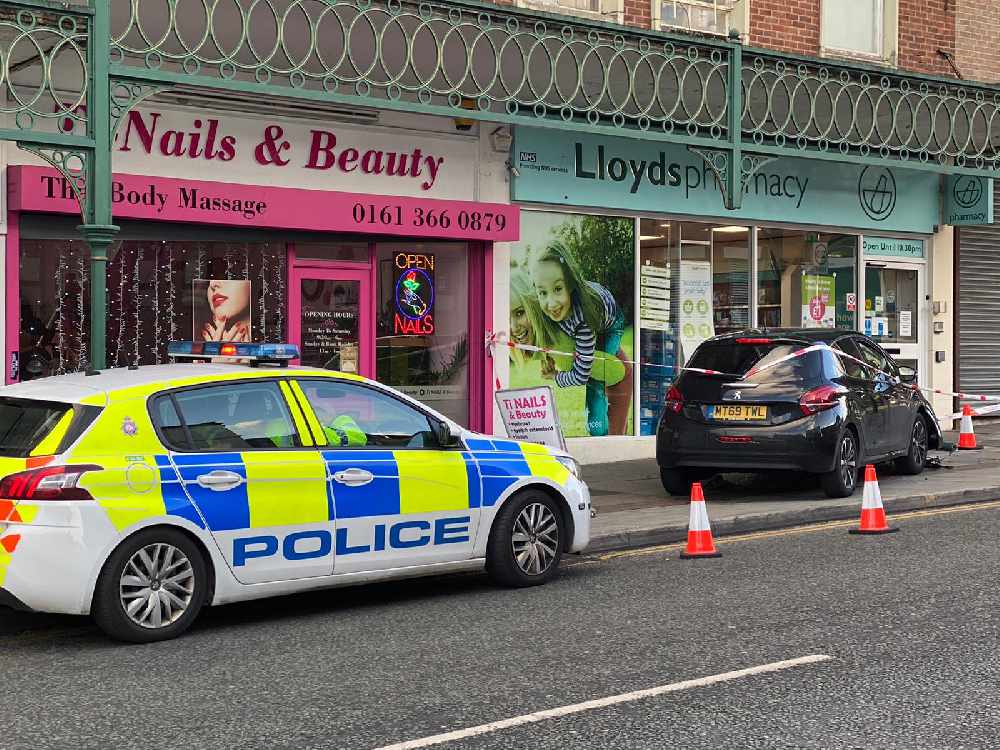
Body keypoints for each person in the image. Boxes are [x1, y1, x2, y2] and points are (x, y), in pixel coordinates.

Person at [531, 242, 632, 436]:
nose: (550, 303)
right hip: (591, 315)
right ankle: (602, 428)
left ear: (570, 285)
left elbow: (580, 376)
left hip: (610, 325)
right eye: (542, 292)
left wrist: (555, 377)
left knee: (597, 376)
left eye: (558, 289)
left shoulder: (583, 322)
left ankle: (602, 433)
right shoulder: (548, 312)